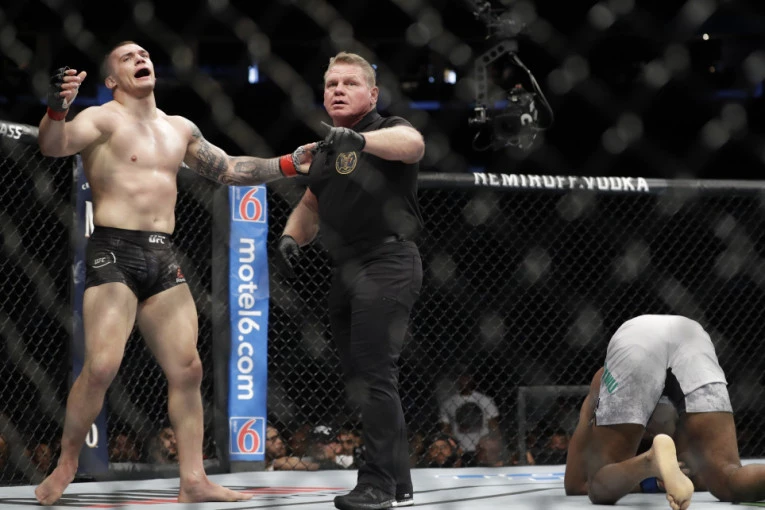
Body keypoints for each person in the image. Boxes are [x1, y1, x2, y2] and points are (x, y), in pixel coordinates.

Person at [34, 40, 315, 506]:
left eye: (144, 54)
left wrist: (288, 163)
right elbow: (52, 145)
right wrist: (57, 108)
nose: (140, 59)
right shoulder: (102, 119)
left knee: (188, 368)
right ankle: (66, 464)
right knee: (101, 366)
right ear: (111, 80)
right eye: (127, 57)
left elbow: (229, 169)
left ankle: (193, 478)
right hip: (113, 250)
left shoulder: (179, 128)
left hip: (161, 253)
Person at [276, 51, 425, 510]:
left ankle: (377, 483)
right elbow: (311, 205)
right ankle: (398, 480)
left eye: (349, 83)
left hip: (388, 260)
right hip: (345, 269)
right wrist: (290, 237)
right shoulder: (323, 152)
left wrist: (360, 140)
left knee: (376, 373)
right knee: (363, 378)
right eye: (331, 84)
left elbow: (414, 144)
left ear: (372, 94)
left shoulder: (387, 129)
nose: (338, 90)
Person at [564, 314, 765, 509]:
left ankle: (647, 462)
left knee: (600, 485)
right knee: (728, 477)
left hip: (636, 340)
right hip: (692, 337)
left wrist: (648, 475)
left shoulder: (602, 382)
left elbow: (577, 484)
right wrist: (655, 480)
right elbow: (702, 477)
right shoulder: (604, 384)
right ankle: (650, 463)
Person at [439, 367, 501, 459]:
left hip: (482, 449)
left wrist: (490, 446)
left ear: (472, 378)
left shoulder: (485, 400)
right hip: (459, 450)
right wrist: (454, 448)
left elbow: (494, 427)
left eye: (467, 376)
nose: (464, 380)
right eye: (461, 376)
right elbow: (445, 431)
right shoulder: (448, 403)